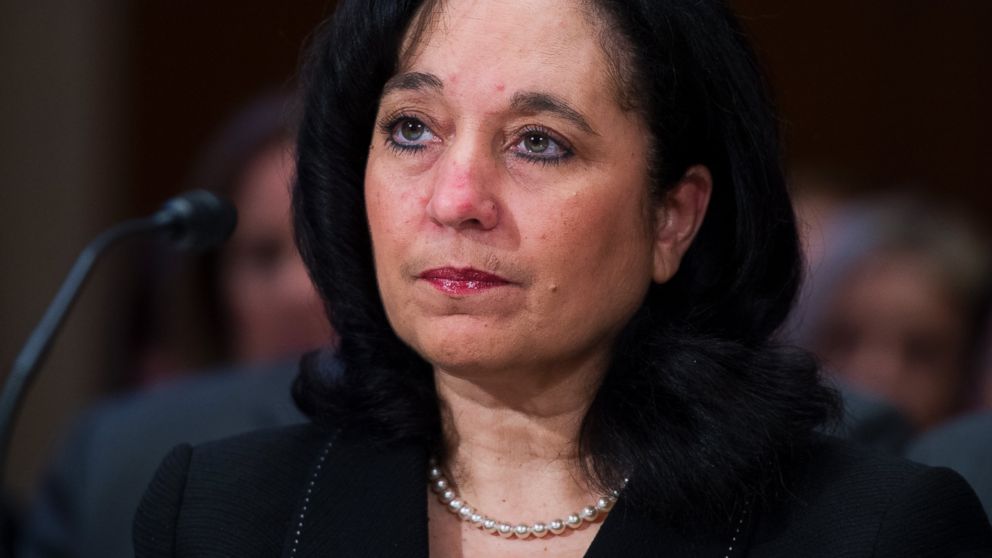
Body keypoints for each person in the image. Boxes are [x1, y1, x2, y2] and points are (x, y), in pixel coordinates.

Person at [134, 1, 992, 556]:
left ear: (673, 218)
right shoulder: (216, 517)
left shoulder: (876, 535)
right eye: (410, 130)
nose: (457, 198)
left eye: (538, 140)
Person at [17, 95, 330, 558]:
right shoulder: (113, 454)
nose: (297, 291)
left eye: (328, 252)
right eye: (262, 255)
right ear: (212, 286)